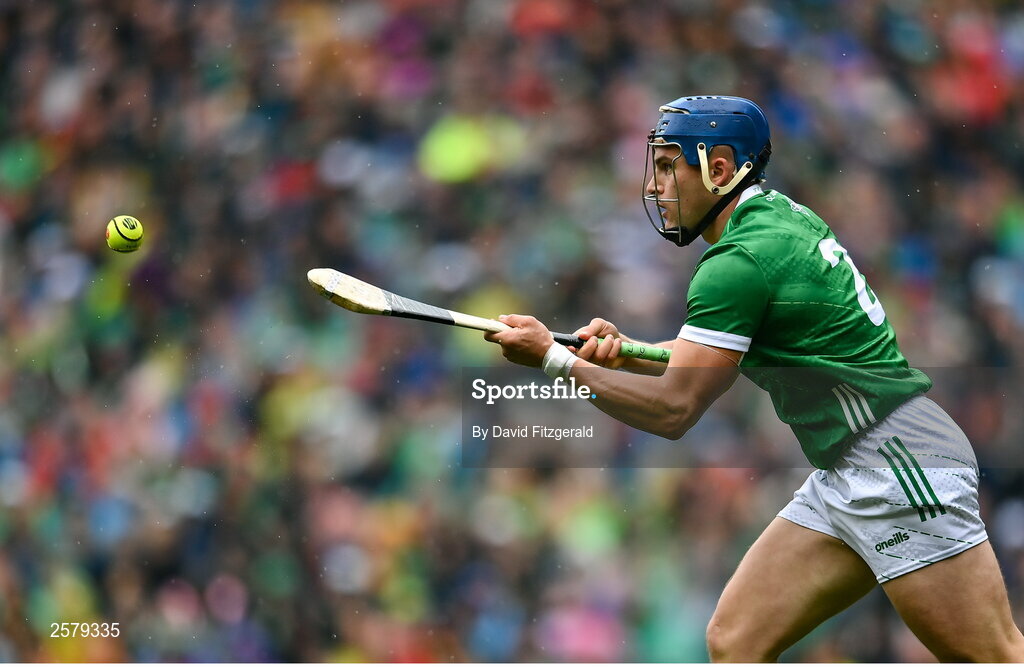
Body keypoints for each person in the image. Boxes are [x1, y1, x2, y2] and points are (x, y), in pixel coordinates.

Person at [486, 95, 1024, 662]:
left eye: (670, 166)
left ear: (719, 169)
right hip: (851, 466)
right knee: (736, 640)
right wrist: (623, 355)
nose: (654, 186)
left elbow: (674, 411)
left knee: (991, 657)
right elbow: (710, 356)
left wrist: (556, 361)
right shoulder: (776, 217)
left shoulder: (738, 263)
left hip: (897, 466)